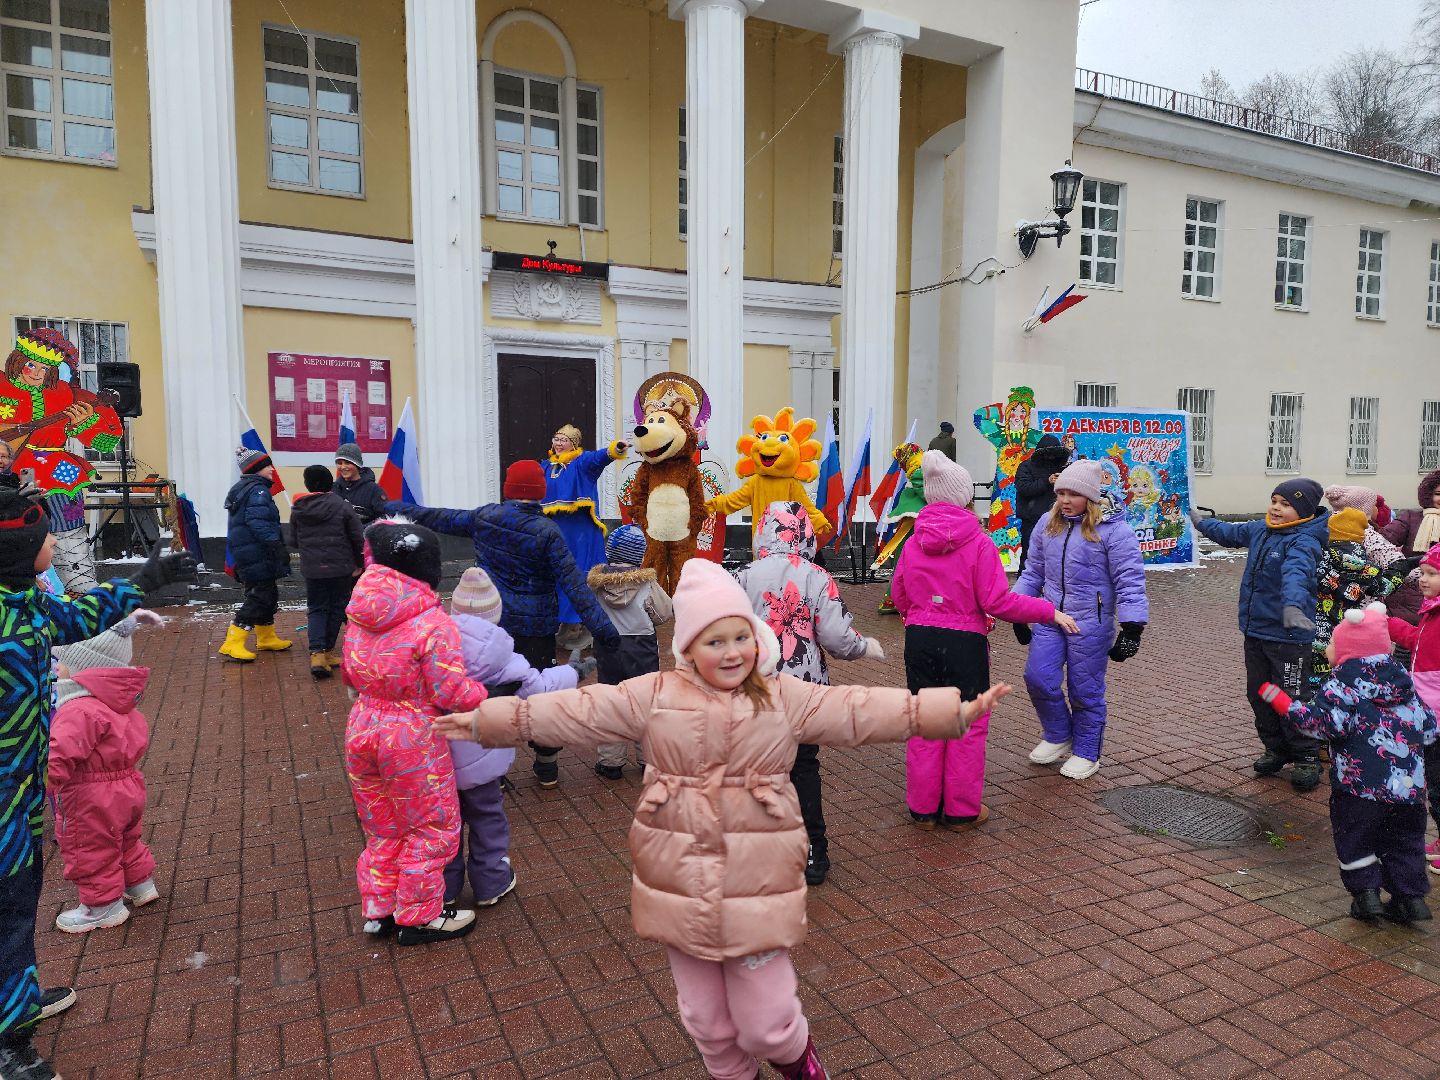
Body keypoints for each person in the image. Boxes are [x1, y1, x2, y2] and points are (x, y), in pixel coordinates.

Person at [435, 557, 1011, 1080]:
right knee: (707, 1022)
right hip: (678, 880)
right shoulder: (654, 694)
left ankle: (797, 1060)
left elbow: (858, 709)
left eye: (741, 636)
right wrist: (491, 721)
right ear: (689, 648)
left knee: (767, 1024)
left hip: (756, 882)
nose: (732, 652)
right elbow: (579, 710)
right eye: (715, 641)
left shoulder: (784, 696)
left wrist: (945, 712)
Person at [0, 478, 192, 1080]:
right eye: (44, 535)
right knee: (6, 912)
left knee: (16, 908)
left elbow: (71, 615)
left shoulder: (20, 604)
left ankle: (16, 1002)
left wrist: (138, 588)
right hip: (4, 803)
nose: (54, 543)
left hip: (23, 799)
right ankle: (10, 1048)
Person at [394, 459, 619, 789]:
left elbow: (436, 516)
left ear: (508, 489)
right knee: (541, 695)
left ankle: (492, 771)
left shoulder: (485, 517)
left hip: (490, 624)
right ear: (541, 492)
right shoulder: (547, 532)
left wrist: (387, 506)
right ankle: (546, 764)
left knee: (491, 693)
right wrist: (605, 632)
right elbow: (574, 585)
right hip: (535, 628)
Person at [895, 453, 1076, 823]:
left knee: (926, 724)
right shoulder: (978, 544)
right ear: (965, 498)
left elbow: (899, 593)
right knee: (966, 726)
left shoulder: (913, 542)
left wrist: (917, 615)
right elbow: (997, 601)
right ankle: (962, 811)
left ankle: (924, 809)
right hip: (964, 645)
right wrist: (1047, 611)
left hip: (921, 640)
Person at [342, 519, 489, 946]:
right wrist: (485, 694)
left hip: (362, 725)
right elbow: (451, 691)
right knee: (432, 827)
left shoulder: (360, 611)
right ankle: (420, 916)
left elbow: (351, 672)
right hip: (411, 736)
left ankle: (380, 908)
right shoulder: (432, 620)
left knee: (382, 827)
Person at [1258, 604, 1438, 925]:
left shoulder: (1343, 684)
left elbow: (1320, 723)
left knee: (1355, 837)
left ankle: (1366, 896)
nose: (1328, 650)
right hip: (1408, 791)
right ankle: (1410, 899)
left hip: (1359, 787)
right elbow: (1428, 727)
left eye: (1333, 645)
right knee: (1405, 841)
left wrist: (1284, 702)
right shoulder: (1405, 683)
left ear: (1348, 650)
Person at [737, 502, 882, 883]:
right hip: (804, 690)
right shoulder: (817, 576)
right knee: (802, 767)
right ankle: (813, 849)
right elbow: (836, 637)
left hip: (754, 689)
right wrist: (862, 646)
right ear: (805, 532)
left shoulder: (741, 576)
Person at [442, 568, 581, 908]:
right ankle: (491, 882)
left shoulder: (434, 646)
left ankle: (444, 887)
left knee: (444, 825)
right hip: (486, 756)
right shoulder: (505, 656)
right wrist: (574, 671)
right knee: (488, 819)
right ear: (495, 614)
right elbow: (539, 688)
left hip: (438, 761)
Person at [1015, 459, 1148, 781]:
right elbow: (1033, 571)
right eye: (1060, 492)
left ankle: (1087, 751)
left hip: (1091, 622)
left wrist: (1132, 627)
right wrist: (1017, 608)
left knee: (1084, 690)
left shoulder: (1115, 532)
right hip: (1050, 617)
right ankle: (1059, 734)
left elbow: (1129, 580)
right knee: (1038, 677)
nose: (1064, 500)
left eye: (1072, 494)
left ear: (1090, 497)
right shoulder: (1049, 524)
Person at [1192, 479, 1329, 791]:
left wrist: (1293, 606)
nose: (1276, 508)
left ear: (1304, 511)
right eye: (1274, 500)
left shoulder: (1304, 541)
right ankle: (1276, 749)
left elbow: (1297, 574)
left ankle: (1307, 756)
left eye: (1285, 504)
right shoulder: (1260, 529)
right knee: (1260, 693)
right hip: (1256, 631)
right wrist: (1200, 522)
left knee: (1291, 697)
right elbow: (1229, 533)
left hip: (1289, 637)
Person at [49, 612, 166, 933]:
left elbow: (59, 754)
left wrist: (41, 784)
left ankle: (102, 907)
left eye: (62, 661)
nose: (57, 668)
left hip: (89, 794)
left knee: (89, 847)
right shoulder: (120, 702)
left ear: (85, 668)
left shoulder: (78, 709)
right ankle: (141, 884)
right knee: (125, 838)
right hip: (127, 785)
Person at [588, 524, 670, 781]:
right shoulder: (647, 585)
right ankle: (648, 760)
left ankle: (610, 763)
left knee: (612, 703)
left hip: (608, 648)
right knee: (645, 703)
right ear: (639, 555)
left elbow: (590, 614)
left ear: (610, 551)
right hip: (641, 649)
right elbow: (664, 613)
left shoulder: (597, 586)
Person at [543, 425, 627, 646]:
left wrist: (614, 449)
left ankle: (588, 625)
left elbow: (600, 458)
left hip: (582, 533)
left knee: (582, 576)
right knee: (558, 576)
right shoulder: (546, 466)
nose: (558, 443)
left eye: (564, 440)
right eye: (556, 438)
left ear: (574, 443)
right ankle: (566, 625)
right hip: (556, 532)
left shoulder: (582, 463)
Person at [1387, 547, 1440, 872]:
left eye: (1432, 573)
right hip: (1430, 712)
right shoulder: (1432, 611)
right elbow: (1421, 642)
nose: (1423, 580)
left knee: (1438, 783)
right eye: (1422, 572)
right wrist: (1391, 624)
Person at [1309, 508, 1396, 692]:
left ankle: (1318, 707)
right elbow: (1380, 586)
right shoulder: (1366, 567)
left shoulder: (1319, 557)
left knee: (1316, 679)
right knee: (1346, 676)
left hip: (1317, 627)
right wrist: (1398, 571)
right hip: (1348, 627)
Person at [290, 464, 364, 678]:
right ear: (330, 482)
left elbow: (294, 541)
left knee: (316, 608)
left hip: (312, 569)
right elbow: (357, 538)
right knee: (337, 607)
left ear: (307, 484)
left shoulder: (298, 508)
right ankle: (328, 651)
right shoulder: (342, 506)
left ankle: (317, 655)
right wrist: (359, 563)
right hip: (341, 567)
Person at [219, 447, 293, 662]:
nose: (272, 469)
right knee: (260, 596)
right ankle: (232, 642)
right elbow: (257, 522)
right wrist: (276, 545)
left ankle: (266, 636)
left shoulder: (246, 488)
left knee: (266, 594)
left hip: (249, 553)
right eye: (268, 465)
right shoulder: (258, 491)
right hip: (257, 553)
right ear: (257, 469)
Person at [1382, 469, 1440, 630]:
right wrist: (1404, 566)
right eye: (1438, 493)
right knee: (1406, 640)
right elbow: (1383, 543)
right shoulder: (1411, 517)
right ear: (1428, 494)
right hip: (1411, 593)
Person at [1013, 433, 1069, 575]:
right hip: (1031, 520)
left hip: (1058, 520)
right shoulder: (1026, 466)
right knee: (1029, 556)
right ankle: (1023, 591)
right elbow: (1024, 487)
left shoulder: (1062, 468)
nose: (1050, 457)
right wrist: (1047, 481)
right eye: (1047, 453)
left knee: (1056, 557)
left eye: (1054, 454)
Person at [333, 442, 389, 525]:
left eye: (347, 463)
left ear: (357, 464)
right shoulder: (333, 488)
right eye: (339, 463)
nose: (343, 467)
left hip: (364, 536)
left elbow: (384, 517)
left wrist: (362, 530)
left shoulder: (374, 490)